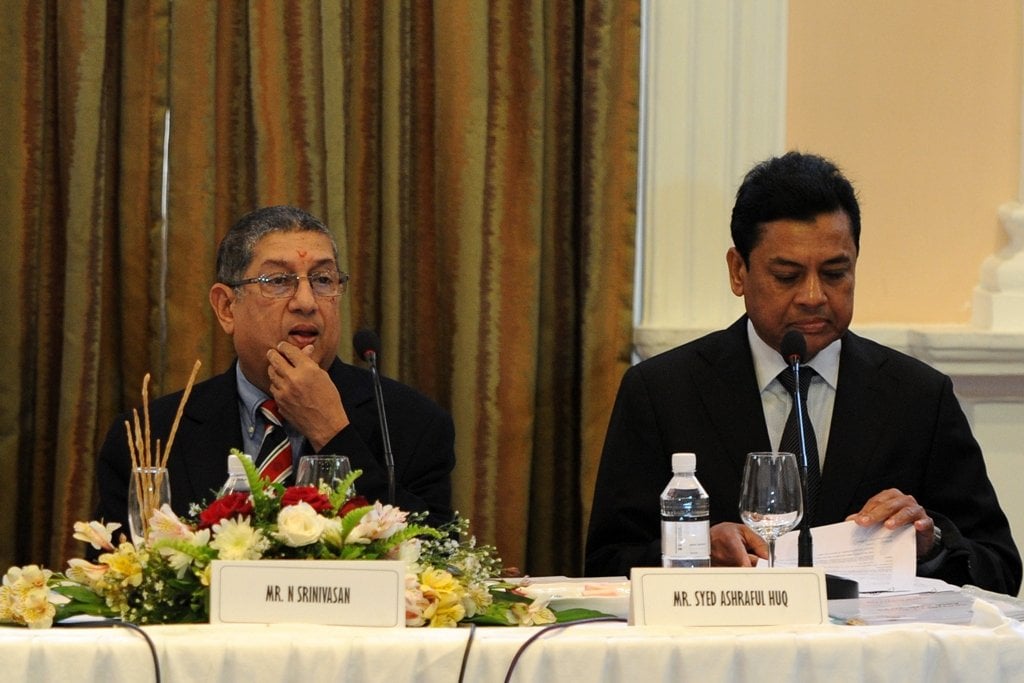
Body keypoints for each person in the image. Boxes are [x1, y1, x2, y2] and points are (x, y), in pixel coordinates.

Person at [585, 152, 1022, 595]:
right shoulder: (663, 391)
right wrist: (694, 552)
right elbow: (604, 563)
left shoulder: (917, 397)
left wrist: (932, 545)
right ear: (739, 271)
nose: (814, 296)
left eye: (835, 273)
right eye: (787, 275)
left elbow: (1000, 568)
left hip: (868, 657)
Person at [94, 205, 455, 536]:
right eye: (278, 281)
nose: (306, 302)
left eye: (324, 280)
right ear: (226, 308)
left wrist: (332, 432)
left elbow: (437, 558)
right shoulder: (150, 437)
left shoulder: (414, 424)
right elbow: (114, 577)